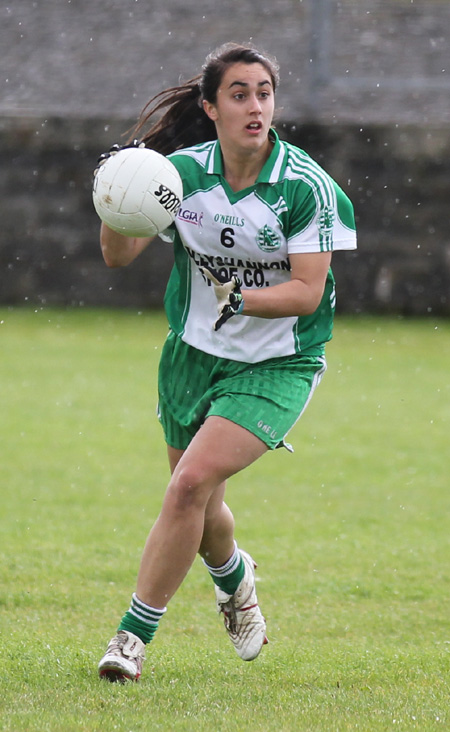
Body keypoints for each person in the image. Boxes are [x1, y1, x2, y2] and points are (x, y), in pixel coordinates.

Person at [95, 42, 357, 682]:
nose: (255, 106)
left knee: (186, 484)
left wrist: (240, 296)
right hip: (190, 356)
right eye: (239, 94)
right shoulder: (181, 175)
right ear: (211, 107)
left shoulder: (305, 188)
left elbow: (304, 292)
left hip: (278, 364)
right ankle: (235, 577)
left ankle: (131, 640)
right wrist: (117, 201)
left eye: (264, 93)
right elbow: (118, 257)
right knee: (201, 499)